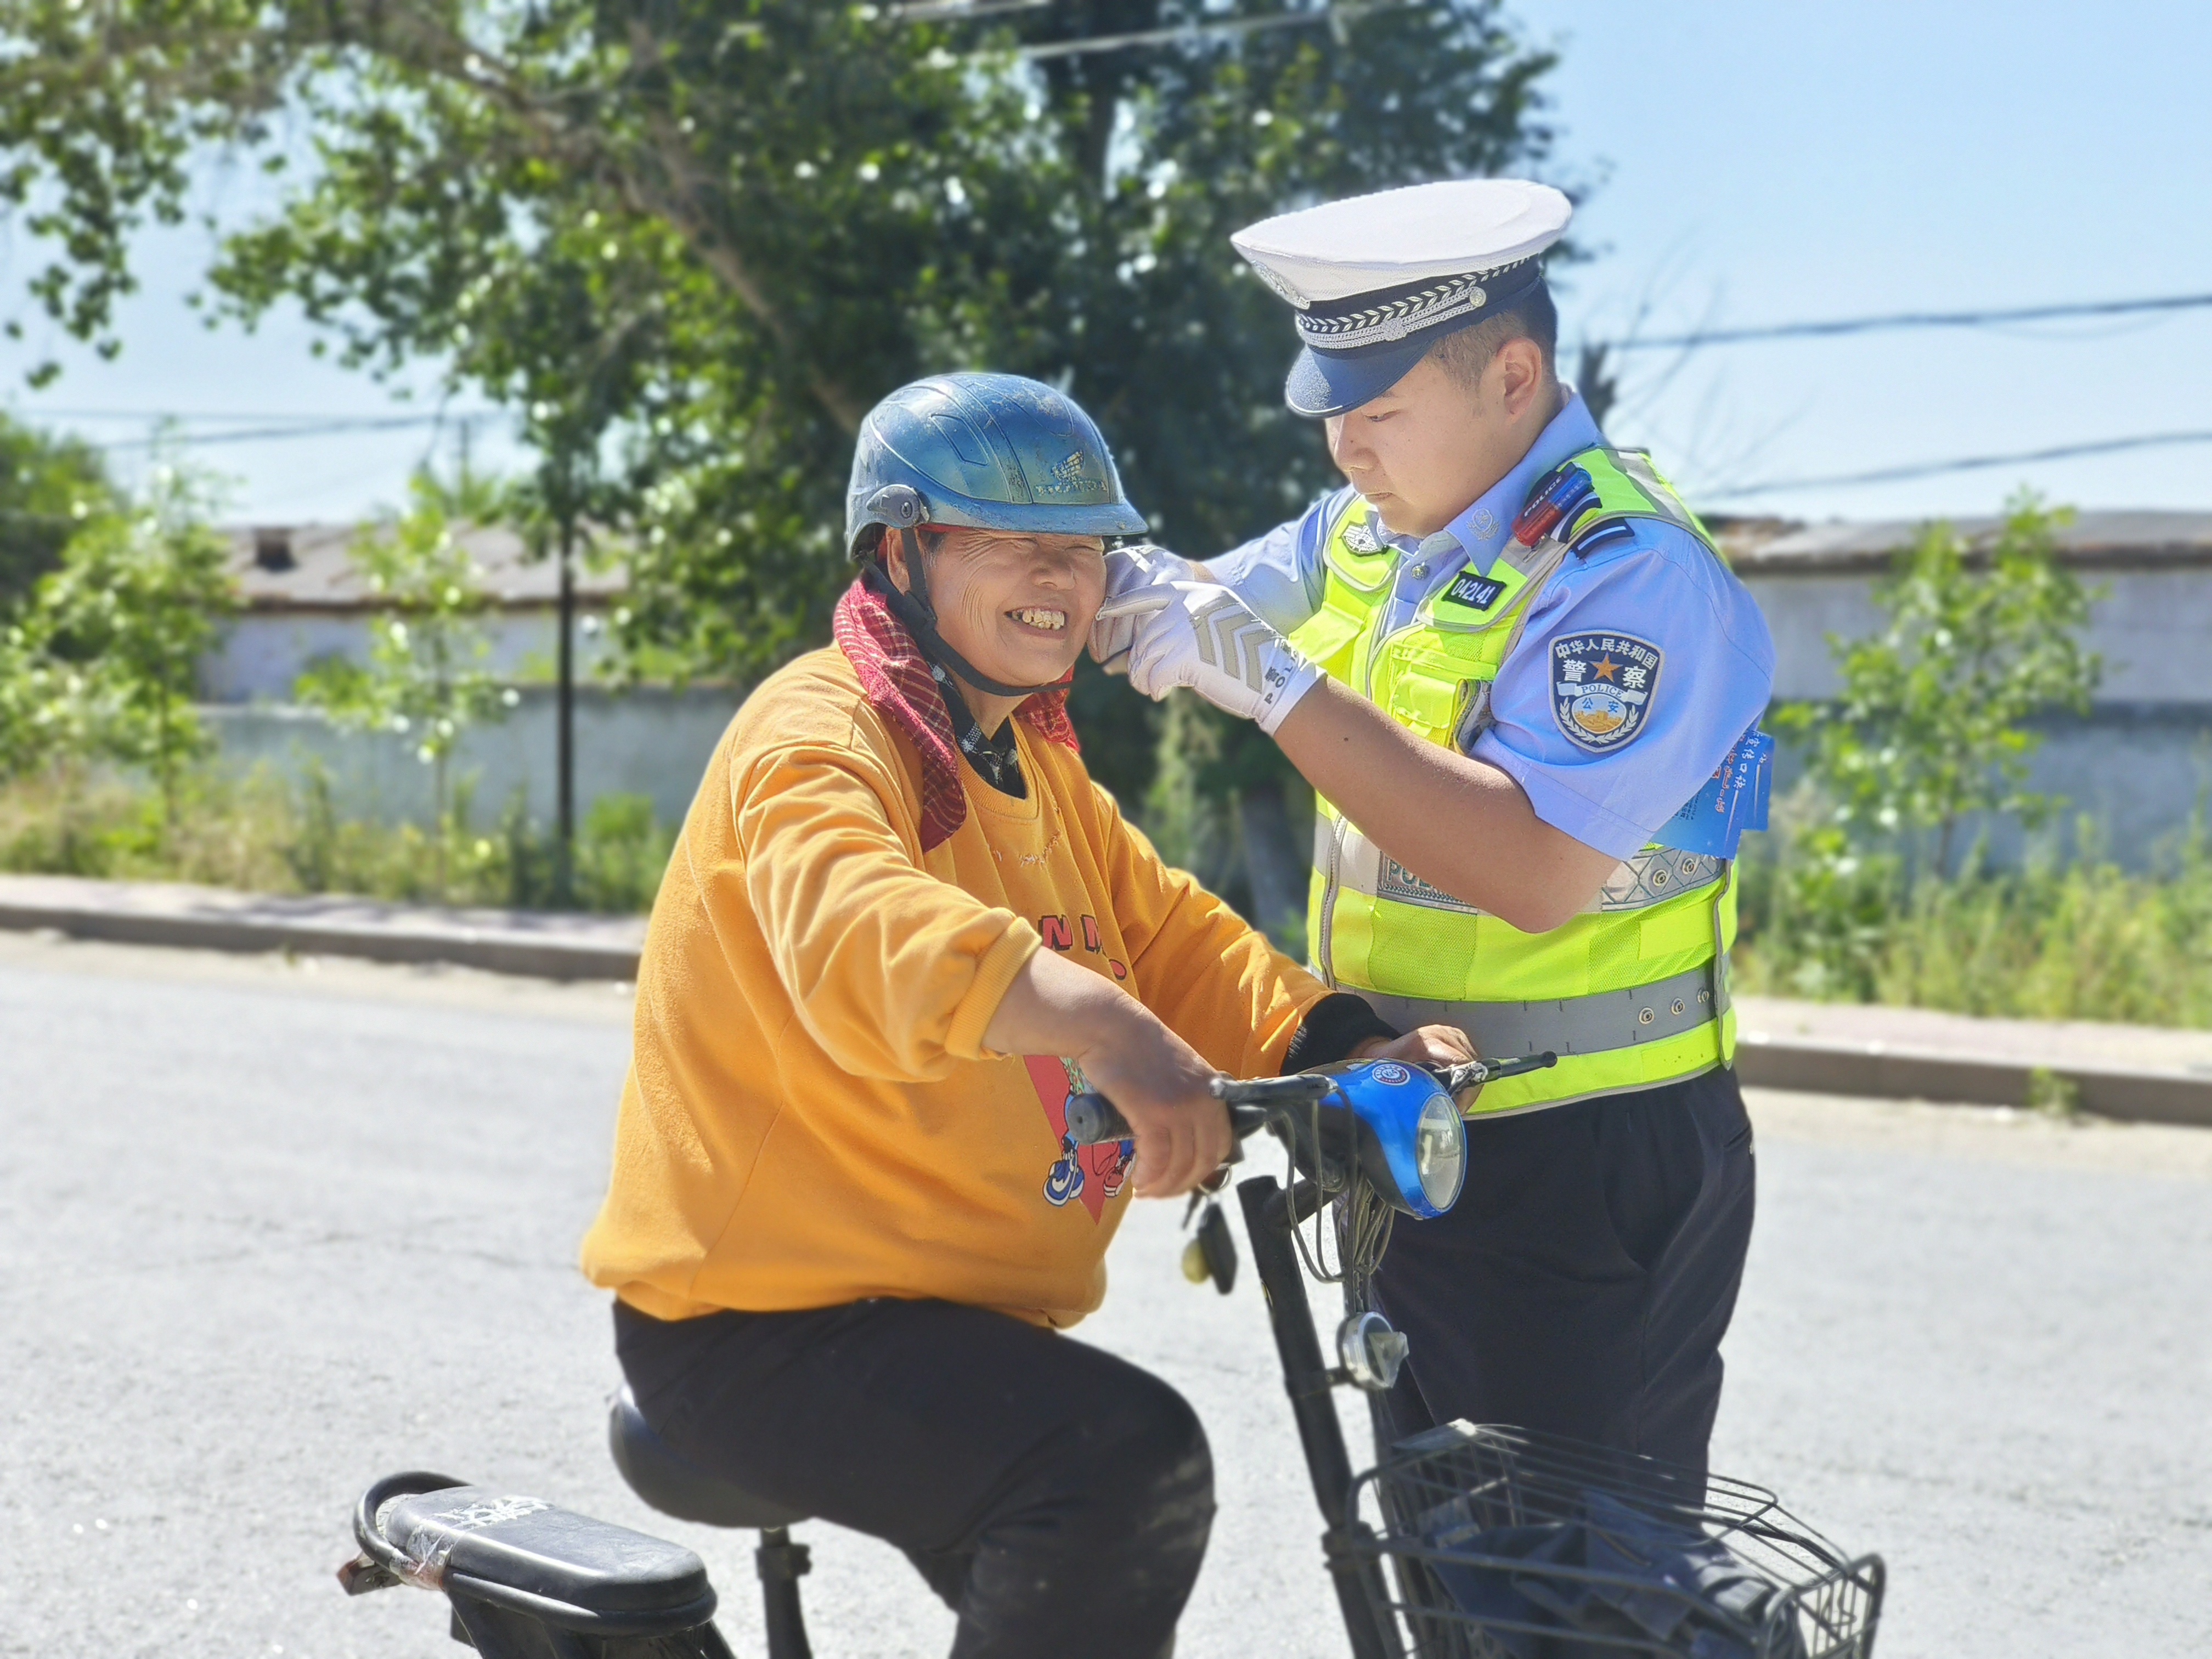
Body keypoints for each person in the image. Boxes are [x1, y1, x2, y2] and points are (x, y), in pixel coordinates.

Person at [579, 371, 1466, 1659]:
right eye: (1011, 543)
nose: (1062, 576)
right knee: (1119, 1468)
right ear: (899, 551)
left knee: (1090, 1562)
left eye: (1086, 548)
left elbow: (1169, 936)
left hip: (937, 1310)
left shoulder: (1031, 758)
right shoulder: (822, 729)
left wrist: (1339, 1045)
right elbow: (856, 925)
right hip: (758, 1323)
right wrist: (1107, 1031)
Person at [1092, 179, 1776, 1483]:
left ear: (1513, 377)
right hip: (1416, 1120)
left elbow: (1529, 871)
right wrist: (1068, 579)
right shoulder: (1373, 532)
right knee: (1448, 1564)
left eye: (1382, 409)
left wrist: (1273, 683)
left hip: (1582, 1151)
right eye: (1334, 411)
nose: (1346, 450)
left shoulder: (1626, 571)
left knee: (1580, 1588)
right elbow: (1185, 602)